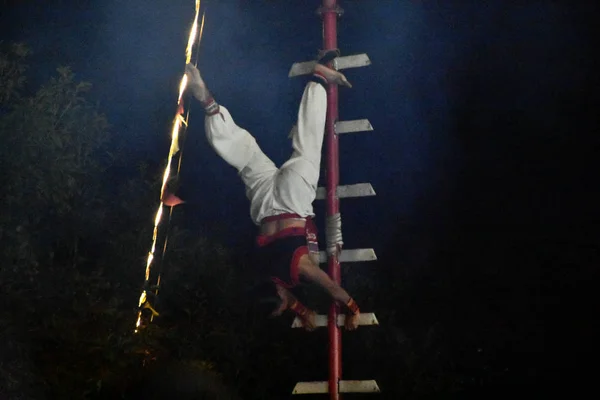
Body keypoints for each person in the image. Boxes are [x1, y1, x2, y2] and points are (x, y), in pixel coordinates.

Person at [165, 50, 361, 331]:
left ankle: (319, 78)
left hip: (292, 202)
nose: (287, 308)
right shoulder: (264, 277)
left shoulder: (296, 271)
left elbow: (331, 287)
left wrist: (353, 308)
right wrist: (304, 312)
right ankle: (207, 101)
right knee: (245, 155)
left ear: (279, 300)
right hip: (264, 201)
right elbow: (286, 299)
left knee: (308, 144)